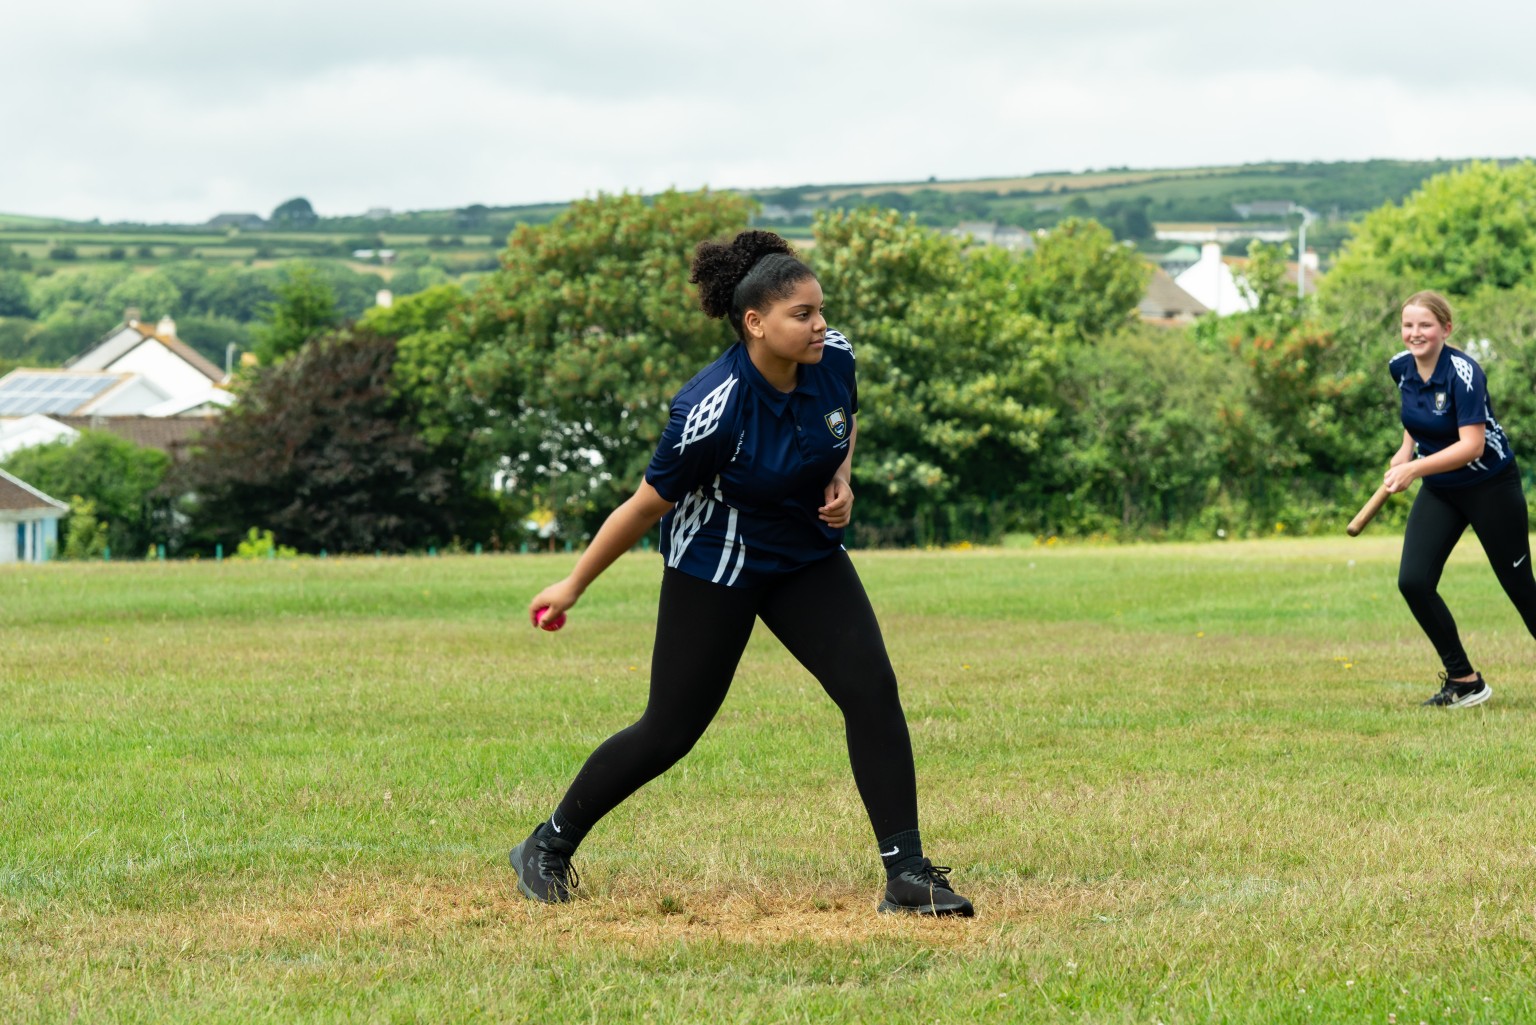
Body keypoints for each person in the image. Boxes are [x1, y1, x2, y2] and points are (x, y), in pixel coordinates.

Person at [509, 230, 972, 916]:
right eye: (803, 315)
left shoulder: (833, 357)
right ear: (755, 323)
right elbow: (643, 507)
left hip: (804, 553)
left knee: (872, 689)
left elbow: (842, 423)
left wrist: (840, 478)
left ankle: (906, 875)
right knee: (671, 729)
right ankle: (546, 844)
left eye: (820, 310)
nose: (821, 325)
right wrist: (571, 584)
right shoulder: (710, 407)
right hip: (716, 563)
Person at [1386, 290, 1536, 707]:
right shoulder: (1400, 367)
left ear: (1445, 329)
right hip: (1442, 489)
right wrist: (1405, 450)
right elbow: (1417, 416)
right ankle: (1465, 681)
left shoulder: (1464, 373)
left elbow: (1471, 445)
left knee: (1522, 590)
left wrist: (1413, 468)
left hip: (1489, 485)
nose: (1415, 334)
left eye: (1425, 325)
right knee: (1413, 581)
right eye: (1408, 325)